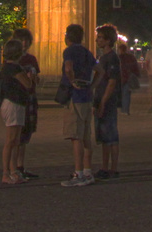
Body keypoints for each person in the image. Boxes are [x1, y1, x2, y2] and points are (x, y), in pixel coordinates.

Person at [60, 23, 98, 186]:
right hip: (87, 96)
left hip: (74, 97)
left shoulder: (69, 51)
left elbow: (68, 68)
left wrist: (72, 81)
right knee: (86, 136)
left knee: (76, 137)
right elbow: (100, 70)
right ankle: (88, 172)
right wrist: (92, 85)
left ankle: (78, 174)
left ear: (67, 36)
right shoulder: (86, 52)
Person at [0, 38, 35, 186]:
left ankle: (13, 172)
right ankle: (6, 173)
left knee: (15, 140)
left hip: (10, 103)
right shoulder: (16, 69)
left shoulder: (5, 67)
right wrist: (30, 78)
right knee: (11, 140)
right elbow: (27, 84)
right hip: (14, 104)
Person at [93, 24, 122, 179]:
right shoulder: (103, 58)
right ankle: (105, 166)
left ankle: (112, 168)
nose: (97, 40)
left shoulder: (111, 58)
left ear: (108, 40)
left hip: (108, 100)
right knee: (104, 136)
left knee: (110, 135)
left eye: (100, 38)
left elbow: (112, 81)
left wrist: (103, 101)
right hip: (100, 98)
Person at [13, 27, 41, 179]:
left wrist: (34, 78)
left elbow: (37, 79)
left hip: (30, 98)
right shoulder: (12, 60)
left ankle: (20, 166)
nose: (24, 43)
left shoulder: (31, 59)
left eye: (26, 40)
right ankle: (12, 168)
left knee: (25, 135)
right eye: (21, 40)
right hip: (17, 99)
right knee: (16, 135)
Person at [117, 39, 140, 115]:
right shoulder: (131, 57)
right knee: (127, 94)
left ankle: (123, 109)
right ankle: (126, 110)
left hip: (120, 78)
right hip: (129, 78)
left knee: (121, 94)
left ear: (120, 50)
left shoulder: (118, 58)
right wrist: (137, 74)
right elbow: (135, 66)